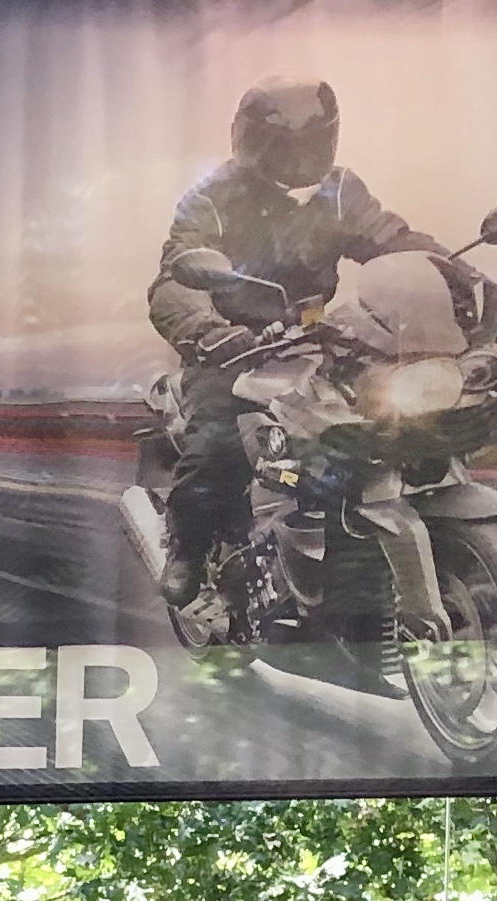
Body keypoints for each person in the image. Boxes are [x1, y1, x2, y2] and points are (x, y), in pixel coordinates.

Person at [146, 75, 443, 602]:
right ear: (254, 143)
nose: (302, 159)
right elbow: (175, 278)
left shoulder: (340, 191)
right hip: (234, 350)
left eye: (313, 144)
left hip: (314, 340)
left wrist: (458, 280)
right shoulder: (211, 199)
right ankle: (187, 547)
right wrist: (208, 332)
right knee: (217, 442)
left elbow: (394, 242)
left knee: (392, 415)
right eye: (287, 147)